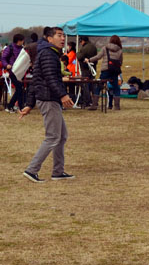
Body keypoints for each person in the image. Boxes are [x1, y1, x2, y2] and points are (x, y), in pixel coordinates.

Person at [20, 27, 75, 182]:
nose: (63, 38)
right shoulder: (48, 54)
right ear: (49, 39)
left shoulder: (47, 53)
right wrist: (63, 95)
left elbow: (35, 80)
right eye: (59, 35)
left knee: (62, 136)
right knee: (53, 137)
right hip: (49, 99)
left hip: (50, 99)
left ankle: (58, 171)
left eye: (63, 35)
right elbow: (50, 78)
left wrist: (29, 104)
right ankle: (32, 170)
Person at [90, 35, 124, 111]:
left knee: (99, 86)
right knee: (116, 88)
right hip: (115, 71)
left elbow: (98, 57)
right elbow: (121, 61)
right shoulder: (120, 50)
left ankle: (94, 105)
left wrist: (89, 60)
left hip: (106, 70)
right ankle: (117, 106)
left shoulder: (105, 48)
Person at [2, 33, 26, 113]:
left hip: (20, 71)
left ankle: (11, 106)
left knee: (20, 88)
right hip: (12, 71)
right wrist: (6, 65)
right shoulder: (10, 48)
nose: (23, 42)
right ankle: (18, 107)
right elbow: (3, 58)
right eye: (22, 40)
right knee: (19, 87)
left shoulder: (22, 48)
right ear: (18, 41)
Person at [76, 36, 98, 110]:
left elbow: (79, 57)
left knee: (85, 86)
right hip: (93, 69)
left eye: (80, 41)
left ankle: (87, 101)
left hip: (85, 69)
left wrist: (78, 53)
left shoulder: (84, 48)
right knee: (92, 85)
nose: (80, 43)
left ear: (83, 41)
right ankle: (94, 101)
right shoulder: (93, 47)